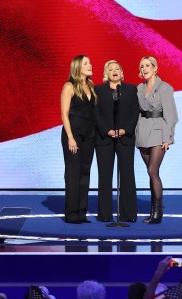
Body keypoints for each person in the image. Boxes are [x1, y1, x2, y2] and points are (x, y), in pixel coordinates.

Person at [94, 59, 140, 225]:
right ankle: (105, 214)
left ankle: (128, 214)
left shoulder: (130, 89)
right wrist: (106, 130)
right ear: (106, 74)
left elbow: (135, 112)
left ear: (122, 73)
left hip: (125, 138)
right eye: (110, 69)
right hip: (104, 138)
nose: (114, 71)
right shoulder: (98, 90)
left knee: (127, 175)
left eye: (117, 69)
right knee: (105, 176)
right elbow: (96, 113)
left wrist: (124, 130)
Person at [135, 56, 178, 225]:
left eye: (147, 66)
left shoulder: (165, 88)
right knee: (151, 172)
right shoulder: (139, 88)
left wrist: (168, 137)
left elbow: (171, 116)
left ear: (155, 68)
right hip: (143, 132)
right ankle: (153, 210)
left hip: (159, 133)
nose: (144, 69)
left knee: (153, 171)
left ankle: (157, 213)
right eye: (142, 66)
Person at [60, 55, 96, 224]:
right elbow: (64, 114)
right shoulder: (69, 86)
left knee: (85, 172)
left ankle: (81, 212)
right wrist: (70, 138)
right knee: (73, 173)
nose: (90, 65)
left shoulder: (90, 85)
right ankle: (71, 213)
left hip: (89, 135)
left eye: (89, 63)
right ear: (77, 67)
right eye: (86, 64)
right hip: (73, 134)